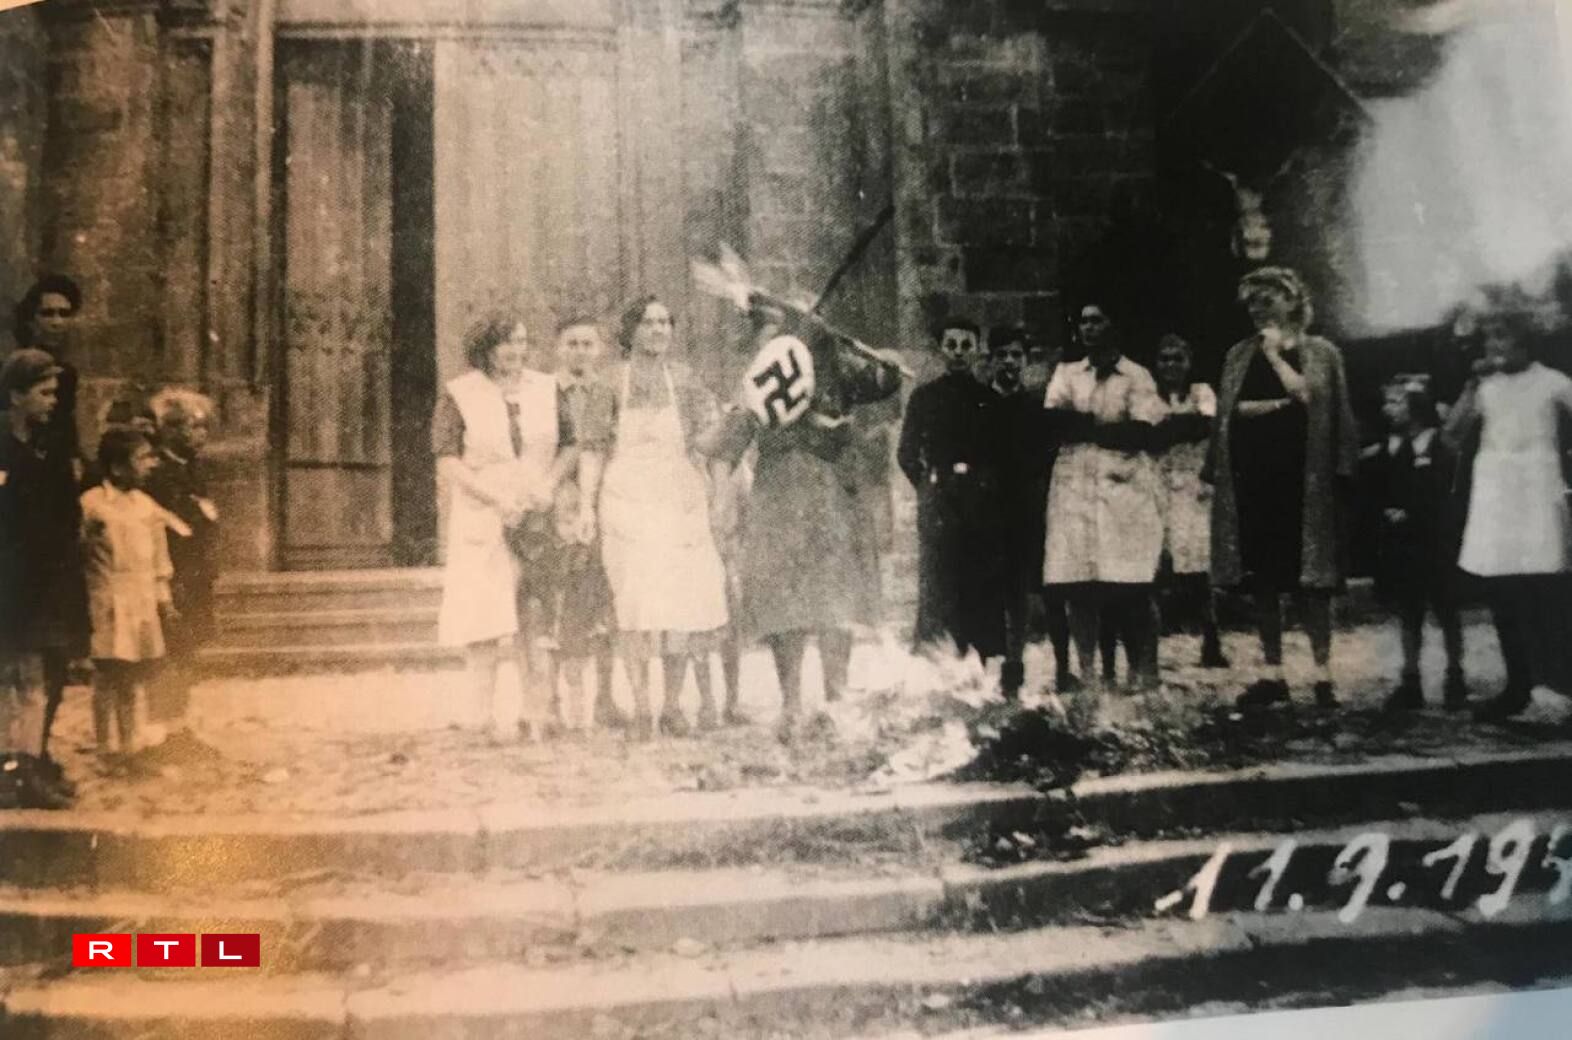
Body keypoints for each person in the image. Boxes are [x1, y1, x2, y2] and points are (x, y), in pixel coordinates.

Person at [715, 296, 904, 743]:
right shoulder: (763, 378)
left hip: (834, 490)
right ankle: (792, 704)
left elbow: (884, 381)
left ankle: (835, 699)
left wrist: (875, 358)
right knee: (786, 603)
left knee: (836, 600)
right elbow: (731, 439)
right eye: (766, 329)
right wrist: (722, 497)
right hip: (781, 493)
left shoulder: (838, 362)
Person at [1207, 267, 1358, 710]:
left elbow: (1317, 400)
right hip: (1256, 481)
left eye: (1267, 300)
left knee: (1312, 583)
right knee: (1265, 581)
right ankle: (1273, 675)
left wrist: (1275, 360)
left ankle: (1322, 675)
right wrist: (1277, 405)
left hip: (1306, 481)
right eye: (1252, 302)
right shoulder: (1238, 355)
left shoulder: (1322, 353)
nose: (1257, 310)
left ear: (1292, 302)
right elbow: (1231, 413)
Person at [432, 316, 577, 744]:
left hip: (535, 513)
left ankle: (537, 713)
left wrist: (547, 485)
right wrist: (494, 499)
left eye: (522, 341)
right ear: (485, 348)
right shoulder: (461, 393)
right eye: (505, 343)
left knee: (535, 615)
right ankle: (479, 716)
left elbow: (569, 444)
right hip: (483, 513)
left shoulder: (546, 388)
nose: (516, 351)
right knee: (483, 619)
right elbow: (447, 458)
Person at [600, 297, 730, 740]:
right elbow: (594, 449)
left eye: (665, 322)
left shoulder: (686, 380)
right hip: (626, 500)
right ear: (631, 330)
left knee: (681, 603)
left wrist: (728, 424)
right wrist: (586, 505)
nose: (659, 330)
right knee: (635, 604)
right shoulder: (611, 382)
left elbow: (708, 442)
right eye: (649, 322)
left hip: (678, 499)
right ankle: (641, 707)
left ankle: (673, 705)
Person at [1445, 291, 1572, 721]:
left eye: (1503, 338)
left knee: (1544, 595)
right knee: (1503, 595)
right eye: (1490, 340)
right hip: (1495, 498)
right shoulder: (1487, 388)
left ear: (1525, 341)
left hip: (1535, 495)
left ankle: (1557, 688)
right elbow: (1452, 435)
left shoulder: (1553, 382)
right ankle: (1516, 687)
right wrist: (1470, 384)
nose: (1494, 347)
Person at [1042, 302, 1166, 709]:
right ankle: (1089, 672)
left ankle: (1142, 670)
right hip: (1075, 490)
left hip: (1123, 493)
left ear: (1114, 326)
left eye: (1098, 319)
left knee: (1131, 585)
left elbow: (1142, 433)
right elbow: (1055, 423)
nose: (1089, 328)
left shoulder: (1138, 376)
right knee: (1078, 585)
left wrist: (1087, 426)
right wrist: (1108, 428)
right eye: (1083, 321)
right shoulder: (1066, 374)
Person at [0, 350, 86, 806]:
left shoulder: (45, 445)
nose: (53, 402)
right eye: (44, 393)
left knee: (43, 674)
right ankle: (19, 772)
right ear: (16, 395)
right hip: (12, 581)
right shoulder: (4, 447)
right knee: (21, 678)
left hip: (46, 579)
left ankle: (30, 762)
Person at [897, 318, 998, 659]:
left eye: (965, 345)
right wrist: (928, 487)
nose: (958, 353)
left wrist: (983, 486)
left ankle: (978, 658)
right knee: (938, 578)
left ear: (977, 350)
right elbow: (906, 454)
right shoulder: (924, 398)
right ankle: (937, 659)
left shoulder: (988, 399)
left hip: (978, 499)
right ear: (941, 349)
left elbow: (1000, 453)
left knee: (976, 574)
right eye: (951, 345)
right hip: (939, 498)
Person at [1367, 377, 1467, 712]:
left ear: (1416, 405)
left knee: (1447, 611)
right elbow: (1382, 485)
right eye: (1388, 402)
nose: (1388, 408)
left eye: (1396, 402)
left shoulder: (1440, 444)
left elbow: (1446, 495)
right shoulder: (1391, 446)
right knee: (1409, 612)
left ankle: (1456, 676)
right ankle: (1411, 680)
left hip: (1436, 542)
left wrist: (1413, 513)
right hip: (1405, 545)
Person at [81, 427, 179, 756]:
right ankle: (104, 746)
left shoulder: (147, 506)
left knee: (133, 674)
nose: (150, 464)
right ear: (117, 467)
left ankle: (129, 744)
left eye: (151, 457)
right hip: (106, 599)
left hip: (141, 600)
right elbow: (74, 552)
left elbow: (159, 559)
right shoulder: (92, 504)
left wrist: (164, 602)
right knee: (108, 674)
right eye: (142, 458)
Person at [549, 317, 623, 733]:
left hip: (604, 503)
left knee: (604, 601)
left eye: (588, 344)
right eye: (572, 344)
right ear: (559, 348)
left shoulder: (609, 391)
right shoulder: (546, 391)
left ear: (600, 350)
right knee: (563, 602)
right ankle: (555, 700)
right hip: (560, 504)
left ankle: (605, 697)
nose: (580, 351)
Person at [143, 388, 221, 739]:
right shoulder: (158, 473)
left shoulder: (192, 469)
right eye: (194, 426)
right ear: (171, 429)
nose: (201, 435)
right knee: (170, 650)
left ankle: (179, 724)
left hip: (195, 571)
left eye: (204, 427)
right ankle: (163, 726)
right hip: (172, 573)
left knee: (187, 647)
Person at [981, 326, 1053, 698]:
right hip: (988, 505)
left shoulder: (1036, 404)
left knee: (1020, 586)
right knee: (988, 584)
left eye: (1016, 355)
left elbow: (1045, 454)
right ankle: (988, 662)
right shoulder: (979, 404)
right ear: (990, 361)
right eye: (1001, 355)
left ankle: (1015, 659)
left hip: (1024, 504)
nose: (1009, 362)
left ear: (1025, 360)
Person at [1152, 334, 1228, 669]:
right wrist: (1177, 427)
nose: (1171, 365)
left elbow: (1207, 426)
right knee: (1152, 564)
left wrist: (1173, 427)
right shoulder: (1148, 396)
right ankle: (1149, 646)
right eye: (1165, 359)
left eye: (1177, 359)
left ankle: (1211, 639)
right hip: (1157, 482)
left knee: (1198, 565)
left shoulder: (1202, 392)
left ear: (1188, 362)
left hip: (1193, 484)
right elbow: (1149, 434)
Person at [11, 276, 84, 467]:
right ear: (31, 319)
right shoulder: (13, 365)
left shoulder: (67, 373)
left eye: (64, 314)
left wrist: (74, 459)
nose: (57, 322)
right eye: (47, 314)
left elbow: (65, 425)